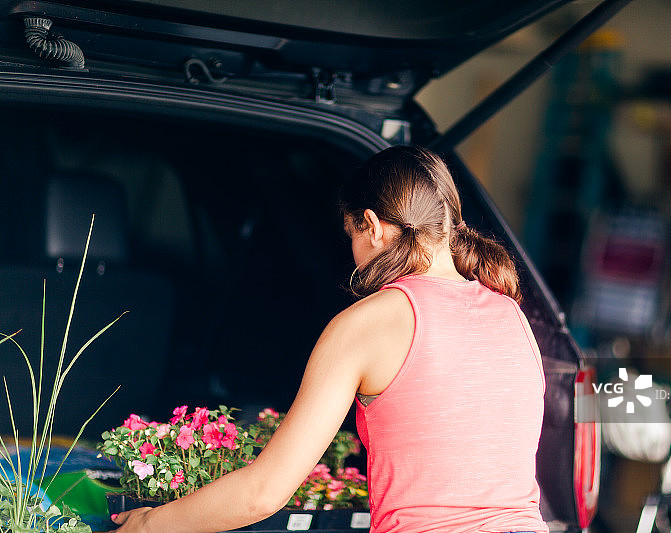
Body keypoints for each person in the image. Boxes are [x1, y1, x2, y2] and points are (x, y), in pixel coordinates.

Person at [111, 145, 548, 533]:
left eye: (352, 235)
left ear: (373, 226)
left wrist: (150, 524)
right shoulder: (513, 315)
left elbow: (263, 492)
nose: (354, 252)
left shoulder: (369, 323)